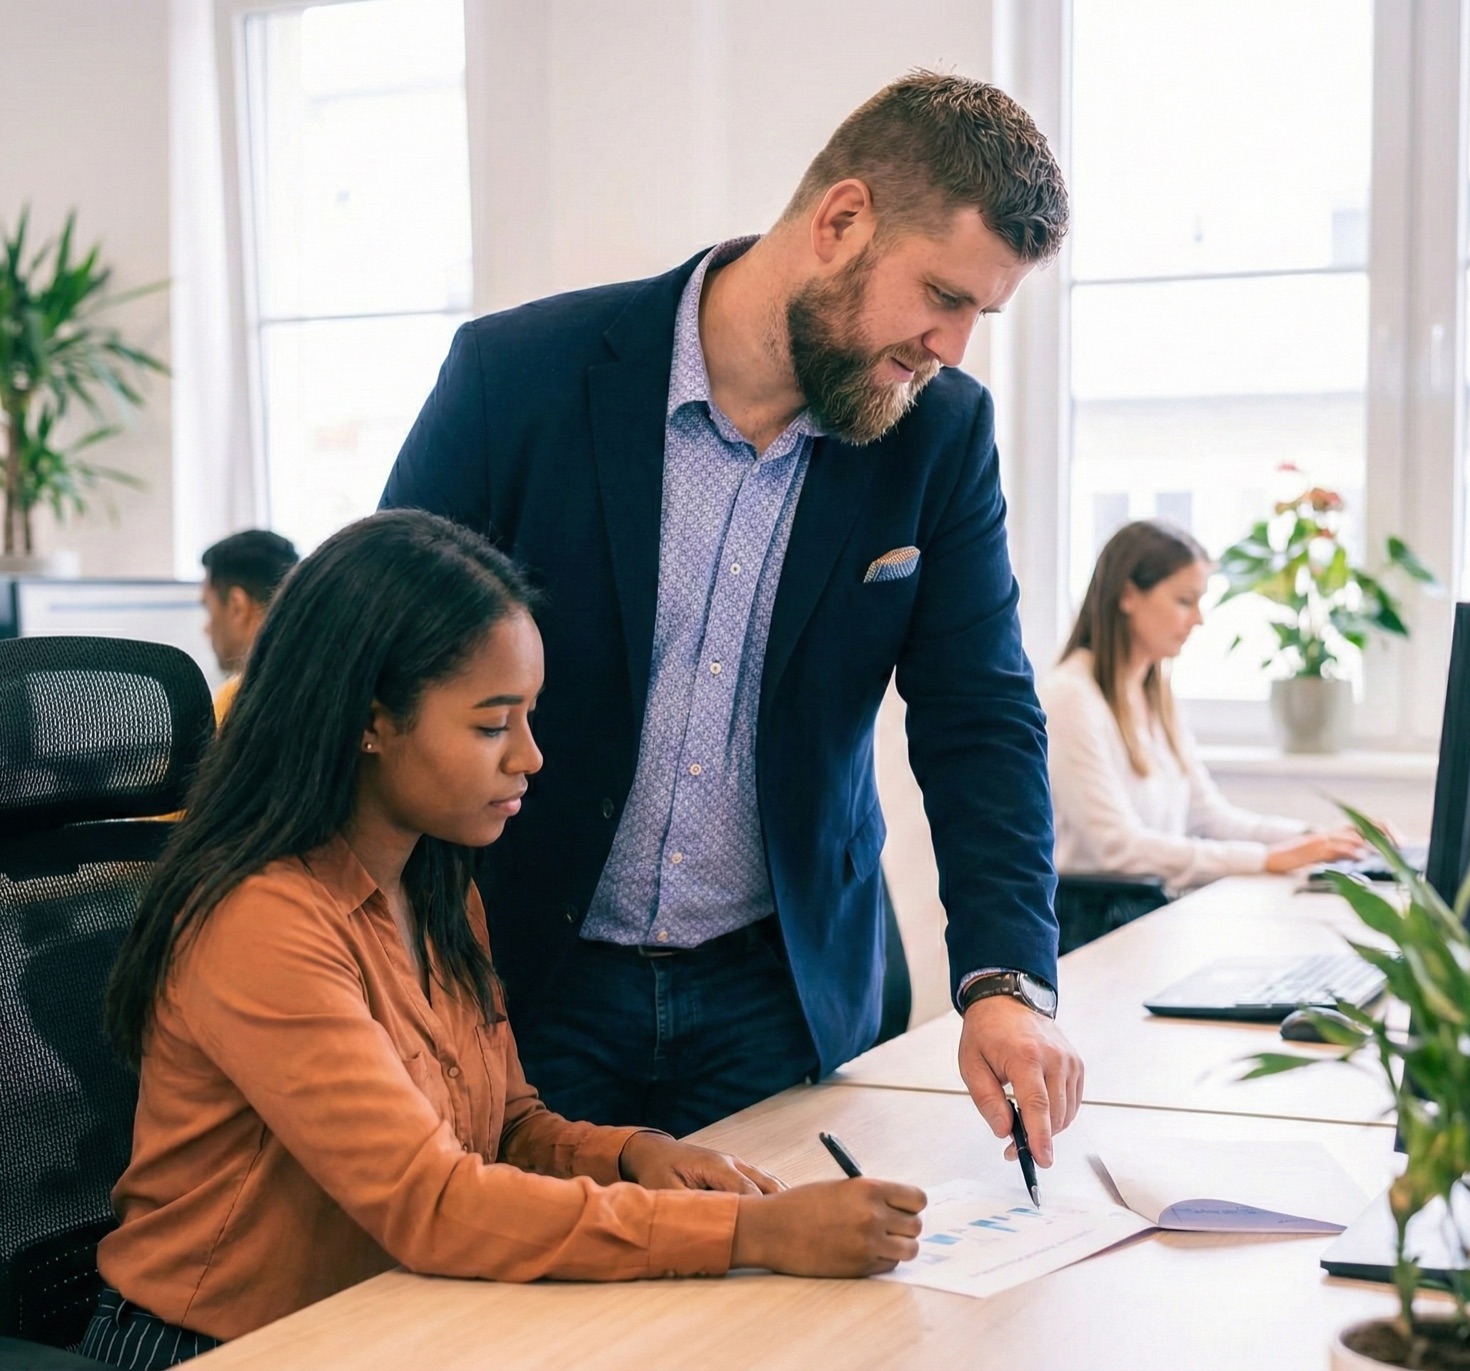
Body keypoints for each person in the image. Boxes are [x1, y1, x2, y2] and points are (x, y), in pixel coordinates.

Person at [381, 71, 1081, 1164]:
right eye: (941, 296)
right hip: (522, 974)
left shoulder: (939, 434)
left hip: (779, 989)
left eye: (978, 316)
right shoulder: (520, 377)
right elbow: (375, 656)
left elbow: (978, 714)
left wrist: (1006, 982)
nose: (950, 344)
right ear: (840, 221)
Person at [88, 511, 924, 1367]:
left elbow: (503, 1127)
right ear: (370, 722)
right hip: (215, 1346)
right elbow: (434, 1203)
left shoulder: (434, 883)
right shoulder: (263, 922)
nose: (530, 756)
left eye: (529, 717)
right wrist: (750, 1232)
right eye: (493, 725)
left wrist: (637, 1154)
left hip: (387, 1320)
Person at [1042, 520, 1366, 950]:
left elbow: (1209, 817)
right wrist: (1266, 860)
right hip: (1096, 926)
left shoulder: (1155, 694)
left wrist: (1316, 838)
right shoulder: (1070, 697)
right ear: (1126, 596)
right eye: (1183, 601)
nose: (1198, 619)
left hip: (1151, 917)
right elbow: (1115, 847)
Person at [199, 529, 299, 722]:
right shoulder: (322, 682)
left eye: (210, 611)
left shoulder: (235, 702)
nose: (206, 629)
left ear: (238, 606)